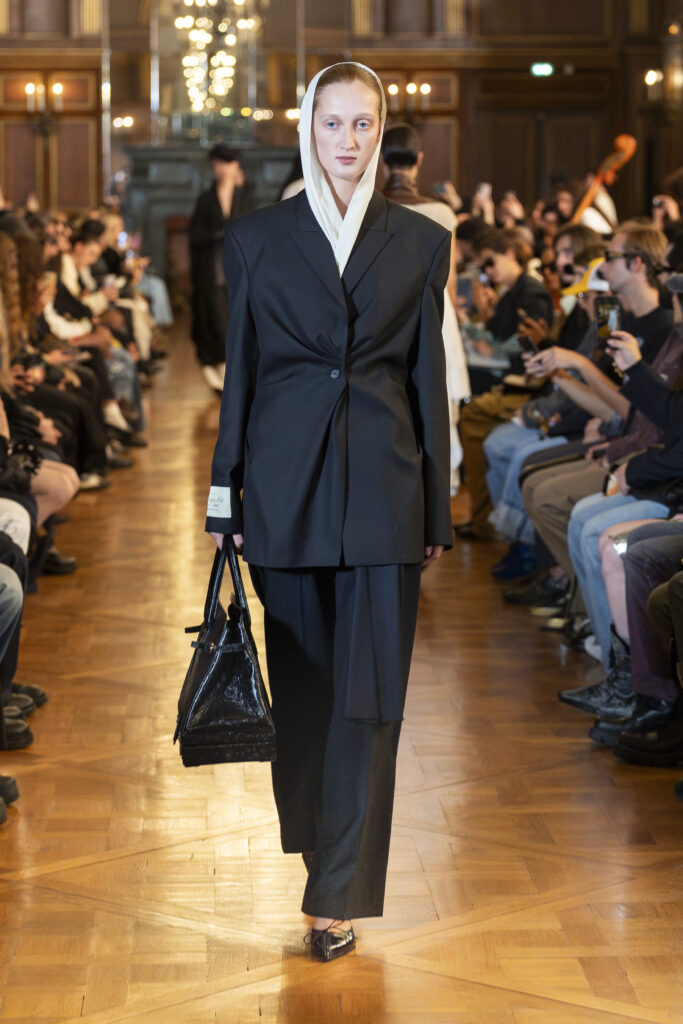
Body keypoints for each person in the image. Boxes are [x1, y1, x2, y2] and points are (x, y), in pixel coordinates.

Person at [205, 63, 452, 961]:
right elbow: (240, 375)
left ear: (381, 132)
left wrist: (436, 509)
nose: (347, 140)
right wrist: (224, 496)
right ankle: (322, 854)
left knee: (371, 699)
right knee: (306, 695)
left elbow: (427, 381)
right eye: (331, 122)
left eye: (363, 124)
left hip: (386, 495)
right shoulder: (255, 238)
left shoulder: (419, 240)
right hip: (284, 491)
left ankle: (336, 893)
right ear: (307, 128)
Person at [381, 122, 470, 493]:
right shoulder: (442, 212)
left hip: (381, 314)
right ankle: (432, 484)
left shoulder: (368, 207)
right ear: (419, 160)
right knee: (433, 396)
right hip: (434, 312)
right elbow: (449, 282)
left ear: (382, 160)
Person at [189, 144, 251, 392]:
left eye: (229, 164)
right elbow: (196, 235)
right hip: (213, 267)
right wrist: (219, 234)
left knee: (238, 316)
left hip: (239, 267)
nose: (224, 169)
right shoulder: (206, 199)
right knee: (216, 316)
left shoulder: (246, 195)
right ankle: (218, 366)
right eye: (219, 164)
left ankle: (234, 369)